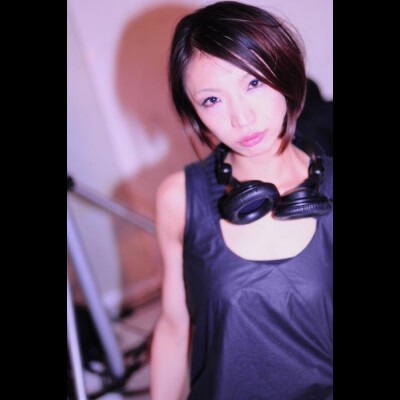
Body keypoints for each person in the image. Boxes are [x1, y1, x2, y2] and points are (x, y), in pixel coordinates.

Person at [149, 2, 333, 399]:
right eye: (212, 100)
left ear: (285, 73)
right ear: (194, 113)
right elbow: (174, 327)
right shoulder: (178, 198)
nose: (242, 119)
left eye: (253, 83)